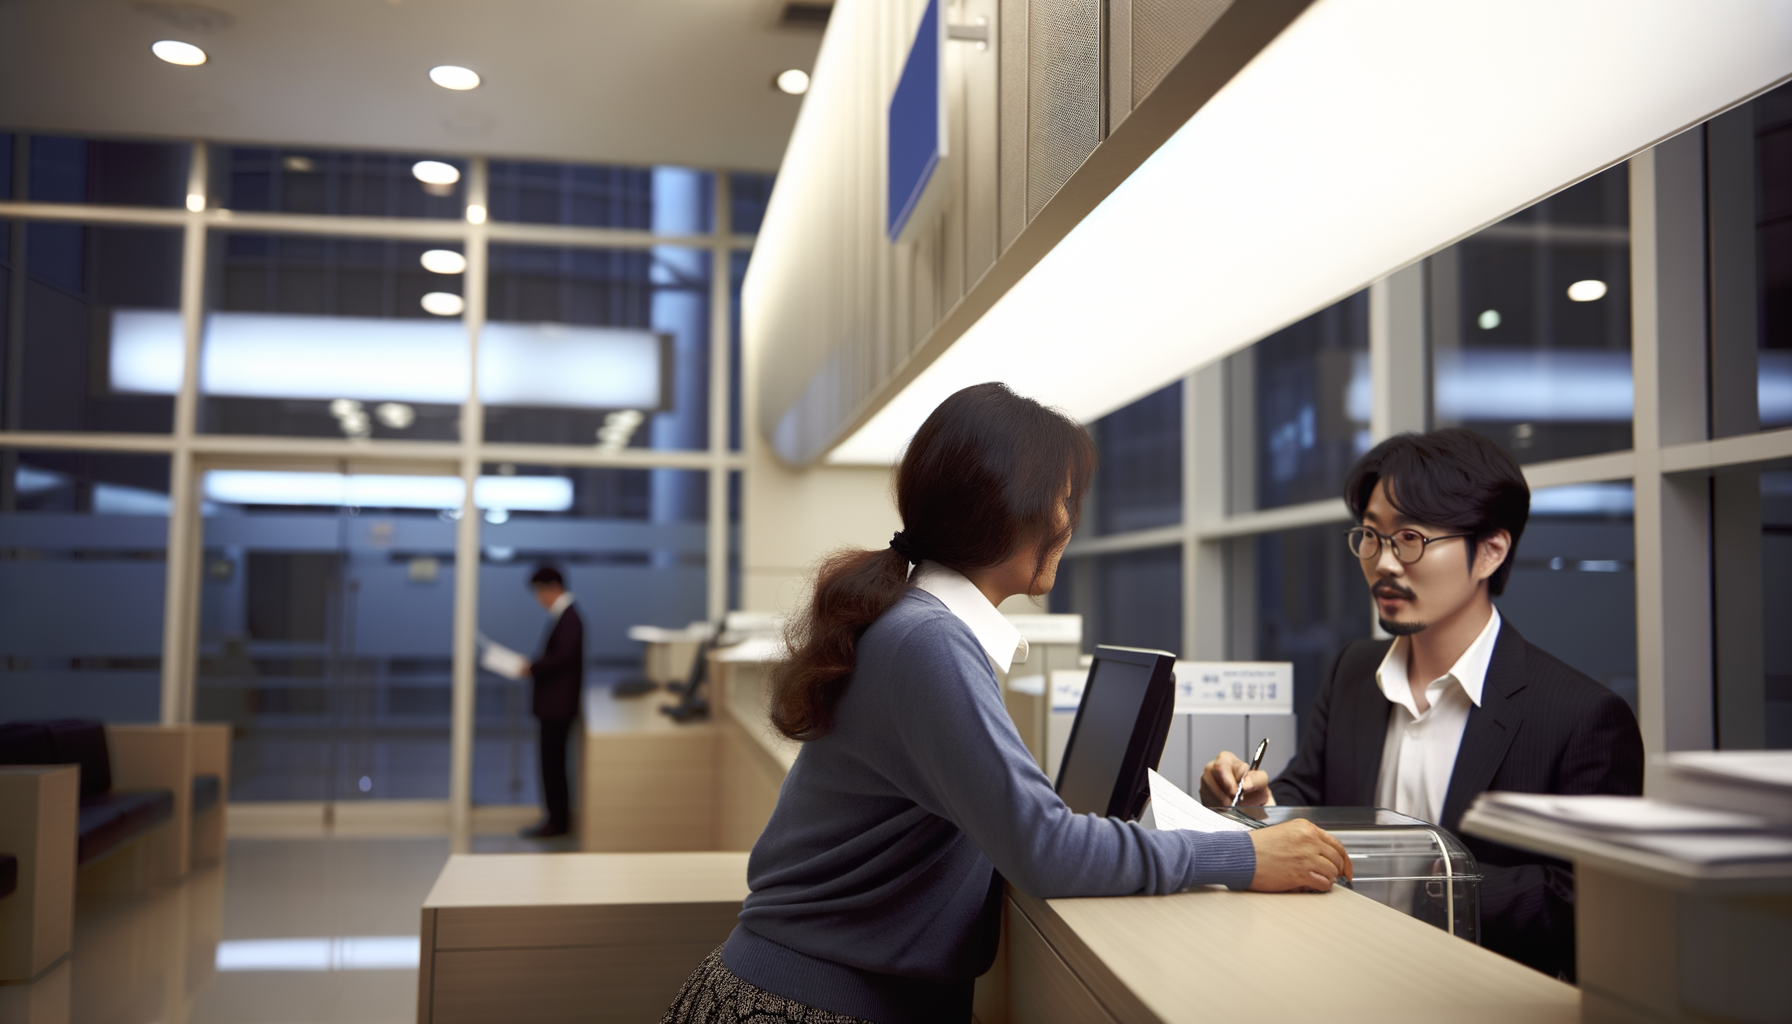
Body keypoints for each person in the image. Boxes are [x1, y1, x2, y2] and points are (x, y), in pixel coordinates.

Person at [663, 383, 1353, 1024]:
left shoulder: (912, 623)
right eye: (1063, 500)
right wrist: (1242, 855)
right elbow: (1043, 849)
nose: (1068, 522)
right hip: (807, 1008)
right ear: (1008, 509)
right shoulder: (928, 639)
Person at [1198, 427, 1644, 980]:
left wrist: (1420, 882)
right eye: (1370, 536)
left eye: (1409, 539)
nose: (1384, 563)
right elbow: (1310, 792)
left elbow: (1589, 905)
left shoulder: (1583, 717)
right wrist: (1261, 803)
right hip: (1334, 968)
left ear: (1490, 552)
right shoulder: (1353, 670)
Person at [521, 565, 582, 839]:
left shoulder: (569, 618)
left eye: (539, 592)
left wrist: (532, 668)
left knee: (553, 766)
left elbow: (561, 659)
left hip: (558, 706)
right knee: (552, 765)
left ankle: (557, 822)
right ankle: (555, 819)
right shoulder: (564, 616)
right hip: (555, 705)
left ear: (552, 588)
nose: (538, 599)